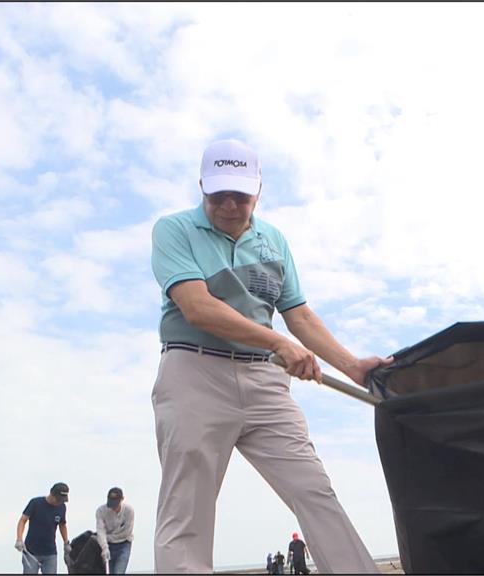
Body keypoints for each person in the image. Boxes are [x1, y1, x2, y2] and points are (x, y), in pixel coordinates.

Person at [150, 138, 387, 574]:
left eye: (240, 194)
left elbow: (298, 314)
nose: (228, 204)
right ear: (202, 184)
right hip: (194, 373)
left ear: (258, 189)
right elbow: (197, 307)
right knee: (188, 506)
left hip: (265, 381)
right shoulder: (174, 229)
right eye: (217, 193)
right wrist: (276, 343)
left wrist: (352, 367)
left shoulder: (273, 239)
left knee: (314, 490)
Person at [15, 482, 71, 574]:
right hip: (31, 552)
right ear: (52, 494)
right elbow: (22, 521)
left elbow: (62, 525)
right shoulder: (35, 503)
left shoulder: (62, 507)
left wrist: (66, 543)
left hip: (50, 553)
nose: (59, 502)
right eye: (58, 500)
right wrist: (19, 539)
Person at [94, 486, 134, 574]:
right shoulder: (101, 511)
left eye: (115, 504)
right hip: (108, 545)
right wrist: (104, 548)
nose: (113, 508)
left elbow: (126, 533)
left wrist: (107, 537)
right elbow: (100, 531)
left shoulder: (129, 511)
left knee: (119, 572)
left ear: (122, 499)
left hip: (124, 544)